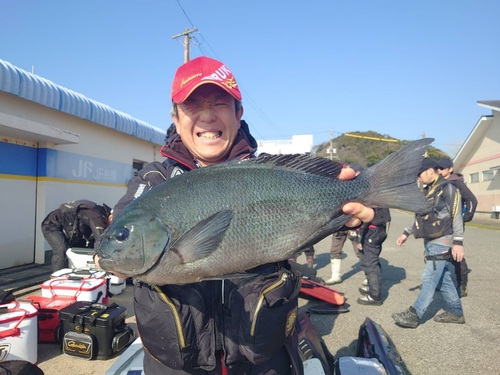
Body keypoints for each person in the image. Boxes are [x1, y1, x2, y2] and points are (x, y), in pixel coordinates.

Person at [98, 56, 374, 375]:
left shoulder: (270, 171)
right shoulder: (152, 183)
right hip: (177, 366)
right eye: (191, 106)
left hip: (263, 359)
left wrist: (343, 210)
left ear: (238, 113)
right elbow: (119, 227)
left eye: (219, 103)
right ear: (175, 117)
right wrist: (112, 251)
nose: (206, 115)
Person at [392, 158, 465, 328]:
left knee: (429, 276)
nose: (418, 178)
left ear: (430, 171)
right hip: (430, 241)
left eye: (419, 174)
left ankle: (415, 314)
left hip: (442, 240)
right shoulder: (427, 191)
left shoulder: (448, 188)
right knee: (443, 279)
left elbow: (457, 215)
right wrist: (406, 232)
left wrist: (458, 242)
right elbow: (418, 215)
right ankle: (456, 312)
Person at [436, 157, 477, 297]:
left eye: (442, 168)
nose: (439, 171)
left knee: (456, 256)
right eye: (437, 168)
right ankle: (438, 282)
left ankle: (462, 286)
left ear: (450, 169)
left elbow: (472, 200)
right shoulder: (437, 184)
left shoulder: (457, 184)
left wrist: (466, 217)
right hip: (439, 227)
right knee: (437, 254)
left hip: (454, 226)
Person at [41, 200, 111, 271]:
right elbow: (100, 237)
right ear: (111, 218)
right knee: (61, 249)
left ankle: (77, 274)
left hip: (72, 228)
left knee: (82, 249)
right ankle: (58, 277)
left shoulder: (98, 212)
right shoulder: (96, 216)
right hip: (51, 224)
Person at [324, 163, 364, 285]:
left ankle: (369, 275)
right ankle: (335, 275)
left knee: (360, 250)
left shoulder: (362, 187)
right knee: (335, 249)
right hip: (339, 224)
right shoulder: (336, 184)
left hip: (355, 224)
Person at [356, 206, 391, 306]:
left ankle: (374, 296)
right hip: (378, 230)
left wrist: (359, 237)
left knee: (370, 264)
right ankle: (372, 287)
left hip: (371, 231)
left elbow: (366, 217)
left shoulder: (370, 196)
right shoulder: (379, 196)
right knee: (371, 261)